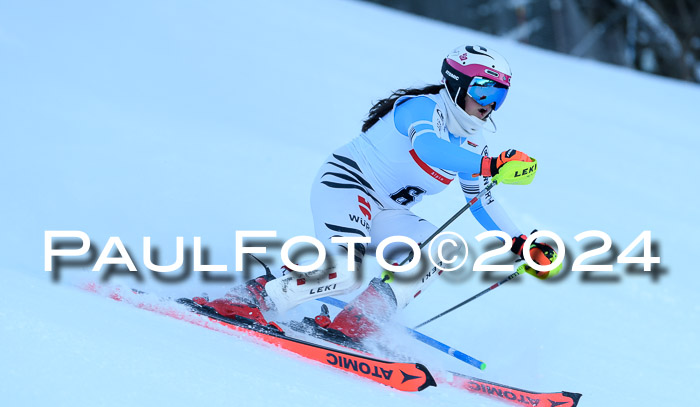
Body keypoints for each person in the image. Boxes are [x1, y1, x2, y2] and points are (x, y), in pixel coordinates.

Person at [195, 44, 561, 342]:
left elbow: (480, 199)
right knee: (345, 272)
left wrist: (519, 242)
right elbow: (431, 149)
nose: (490, 102)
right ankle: (249, 299)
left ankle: (358, 322)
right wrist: (494, 165)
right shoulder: (422, 108)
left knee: (441, 248)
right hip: (348, 184)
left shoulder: (473, 142)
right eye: (483, 88)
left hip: (386, 212)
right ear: (457, 84)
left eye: (500, 93)